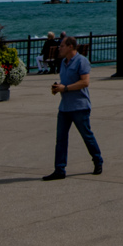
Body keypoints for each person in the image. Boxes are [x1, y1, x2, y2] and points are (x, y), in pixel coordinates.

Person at [43, 36, 103, 180]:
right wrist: (58, 88)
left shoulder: (82, 61)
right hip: (64, 107)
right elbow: (65, 83)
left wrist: (66, 88)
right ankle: (59, 169)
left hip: (79, 106)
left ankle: (98, 160)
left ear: (70, 47)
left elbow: (85, 82)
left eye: (62, 45)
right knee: (61, 139)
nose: (60, 47)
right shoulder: (63, 62)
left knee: (86, 135)